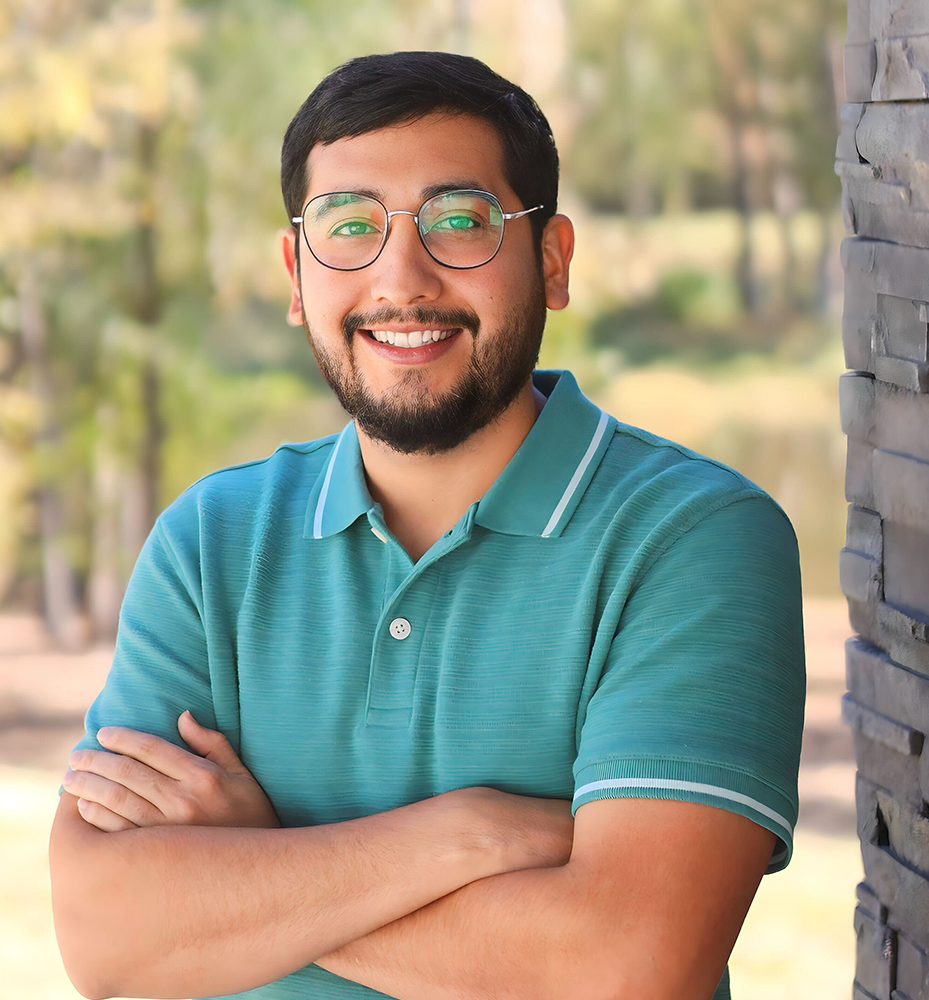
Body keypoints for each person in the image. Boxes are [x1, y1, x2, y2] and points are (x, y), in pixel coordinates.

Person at [49, 51, 806, 1000]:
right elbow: (106, 937)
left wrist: (256, 862)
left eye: (460, 223)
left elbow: (627, 969)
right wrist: (473, 837)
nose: (400, 278)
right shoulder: (211, 542)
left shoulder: (693, 538)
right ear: (296, 273)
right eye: (349, 227)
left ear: (553, 259)